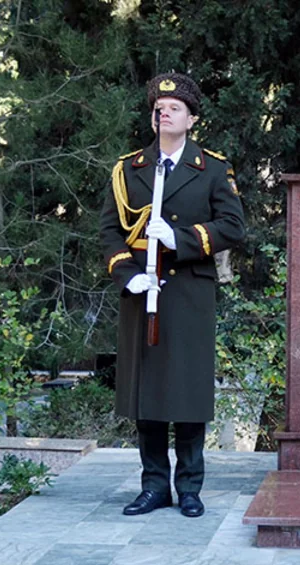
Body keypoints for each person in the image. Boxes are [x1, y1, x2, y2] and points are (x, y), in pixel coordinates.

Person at [99, 72, 245, 517]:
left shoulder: (212, 168)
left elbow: (233, 227)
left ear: (192, 118)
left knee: (187, 392)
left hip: (189, 294)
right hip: (143, 293)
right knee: (148, 394)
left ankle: (190, 488)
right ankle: (154, 486)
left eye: (175, 108)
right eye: (159, 108)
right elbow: (109, 231)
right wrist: (127, 275)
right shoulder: (129, 170)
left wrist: (179, 239)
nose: (164, 113)